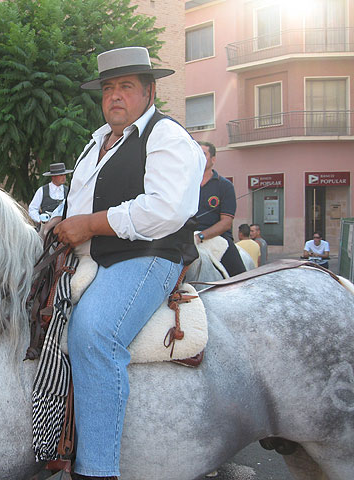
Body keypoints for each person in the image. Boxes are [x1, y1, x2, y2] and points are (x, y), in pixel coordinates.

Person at [51, 46, 205, 480]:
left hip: (148, 256)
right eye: (108, 88)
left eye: (126, 86)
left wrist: (90, 224)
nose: (114, 96)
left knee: (94, 332)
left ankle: (98, 470)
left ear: (149, 92)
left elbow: (165, 210)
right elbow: (79, 204)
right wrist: (58, 224)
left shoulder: (166, 136)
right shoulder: (96, 141)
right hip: (90, 256)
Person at [195, 141, 246, 277]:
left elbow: (226, 222)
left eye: (203, 154)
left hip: (217, 238)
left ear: (213, 159)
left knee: (240, 278)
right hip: (187, 238)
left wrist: (200, 236)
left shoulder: (225, 186)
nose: (198, 157)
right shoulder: (185, 184)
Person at [28, 163, 72, 227]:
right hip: (46, 225)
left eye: (64, 175)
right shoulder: (42, 190)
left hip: (64, 225)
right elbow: (32, 208)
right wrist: (39, 220)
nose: (64, 177)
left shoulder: (68, 191)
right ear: (53, 176)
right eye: (61, 175)